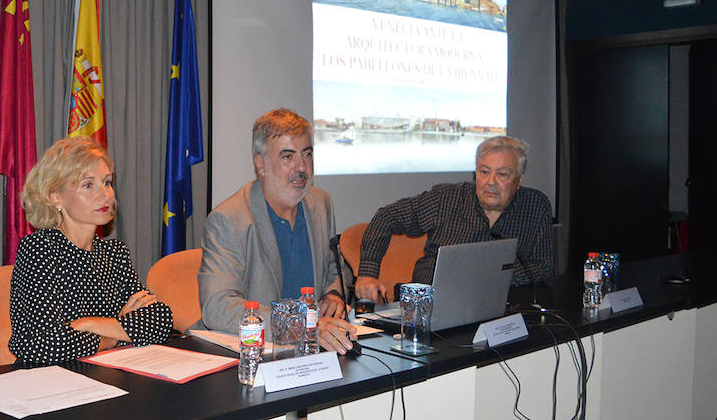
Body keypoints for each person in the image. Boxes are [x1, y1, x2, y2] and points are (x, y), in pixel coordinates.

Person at [198, 108, 358, 354]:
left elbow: (332, 268)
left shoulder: (321, 203)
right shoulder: (229, 219)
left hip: (312, 353)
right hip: (254, 354)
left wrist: (334, 293)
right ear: (260, 164)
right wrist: (302, 325)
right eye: (287, 157)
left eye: (307, 154)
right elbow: (218, 307)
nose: (302, 167)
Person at [9, 136, 173, 365]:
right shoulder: (39, 249)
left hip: (108, 375)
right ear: (56, 197)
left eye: (107, 182)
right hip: (51, 384)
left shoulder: (115, 253)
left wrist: (86, 324)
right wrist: (116, 331)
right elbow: (43, 344)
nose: (105, 194)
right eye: (88, 185)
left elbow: (160, 321)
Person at [355, 136, 553, 303]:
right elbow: (386, 217)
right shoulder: (446, 199)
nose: (490, 182)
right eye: (484, 172)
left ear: (519, 179)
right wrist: (367, 274)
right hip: (433, 302)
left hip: (503, 304)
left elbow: (543, 265)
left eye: (502, 174)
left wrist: (490, 276)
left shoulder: (535, 205)